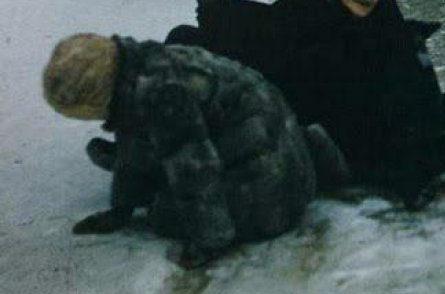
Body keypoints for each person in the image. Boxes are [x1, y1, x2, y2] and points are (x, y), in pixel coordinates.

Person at [166, 0, 445, 209]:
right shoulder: (310, 9)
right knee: (187, 43)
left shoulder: (383, 37)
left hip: (319, 136)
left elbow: (406, 95)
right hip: (281, 99)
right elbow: (267, 31)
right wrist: (218, 11)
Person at [42, 33, 334, 270]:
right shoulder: (141, 71)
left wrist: (209, 240)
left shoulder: (163, 96)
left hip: (273, 187)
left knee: (163, 215)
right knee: (153, 164)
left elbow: (195, 172)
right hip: (277, 147)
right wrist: (122, 209)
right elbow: (135, 142)